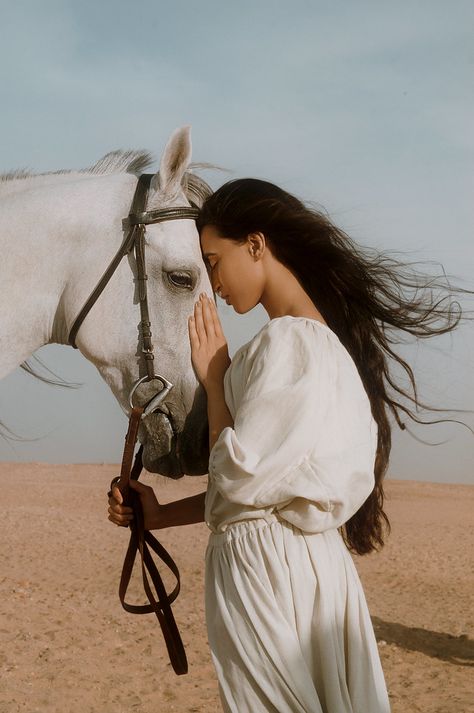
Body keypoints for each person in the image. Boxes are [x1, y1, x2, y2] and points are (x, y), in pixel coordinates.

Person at [108, 178, 471, 713]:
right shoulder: (320, 347)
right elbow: (260, 492)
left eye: (214, 261)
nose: (214, 284)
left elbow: (237, 482)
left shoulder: (287, 342)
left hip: (265, 571)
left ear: (255, 244)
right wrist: (158, 515)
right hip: (300, 566)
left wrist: (214, 380)